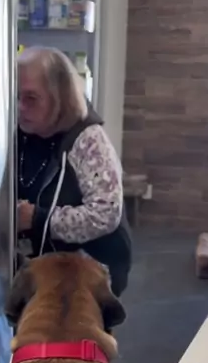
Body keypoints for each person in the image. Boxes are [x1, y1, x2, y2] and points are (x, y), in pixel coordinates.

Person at [17, 46, 132, 296]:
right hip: (40, 266)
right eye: (16, 96)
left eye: (31, 98)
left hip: (90, 269)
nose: (20, 107)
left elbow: (105, 214)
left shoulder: (89, 140)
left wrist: (38, 219)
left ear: (59, 98)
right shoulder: (20, 133)